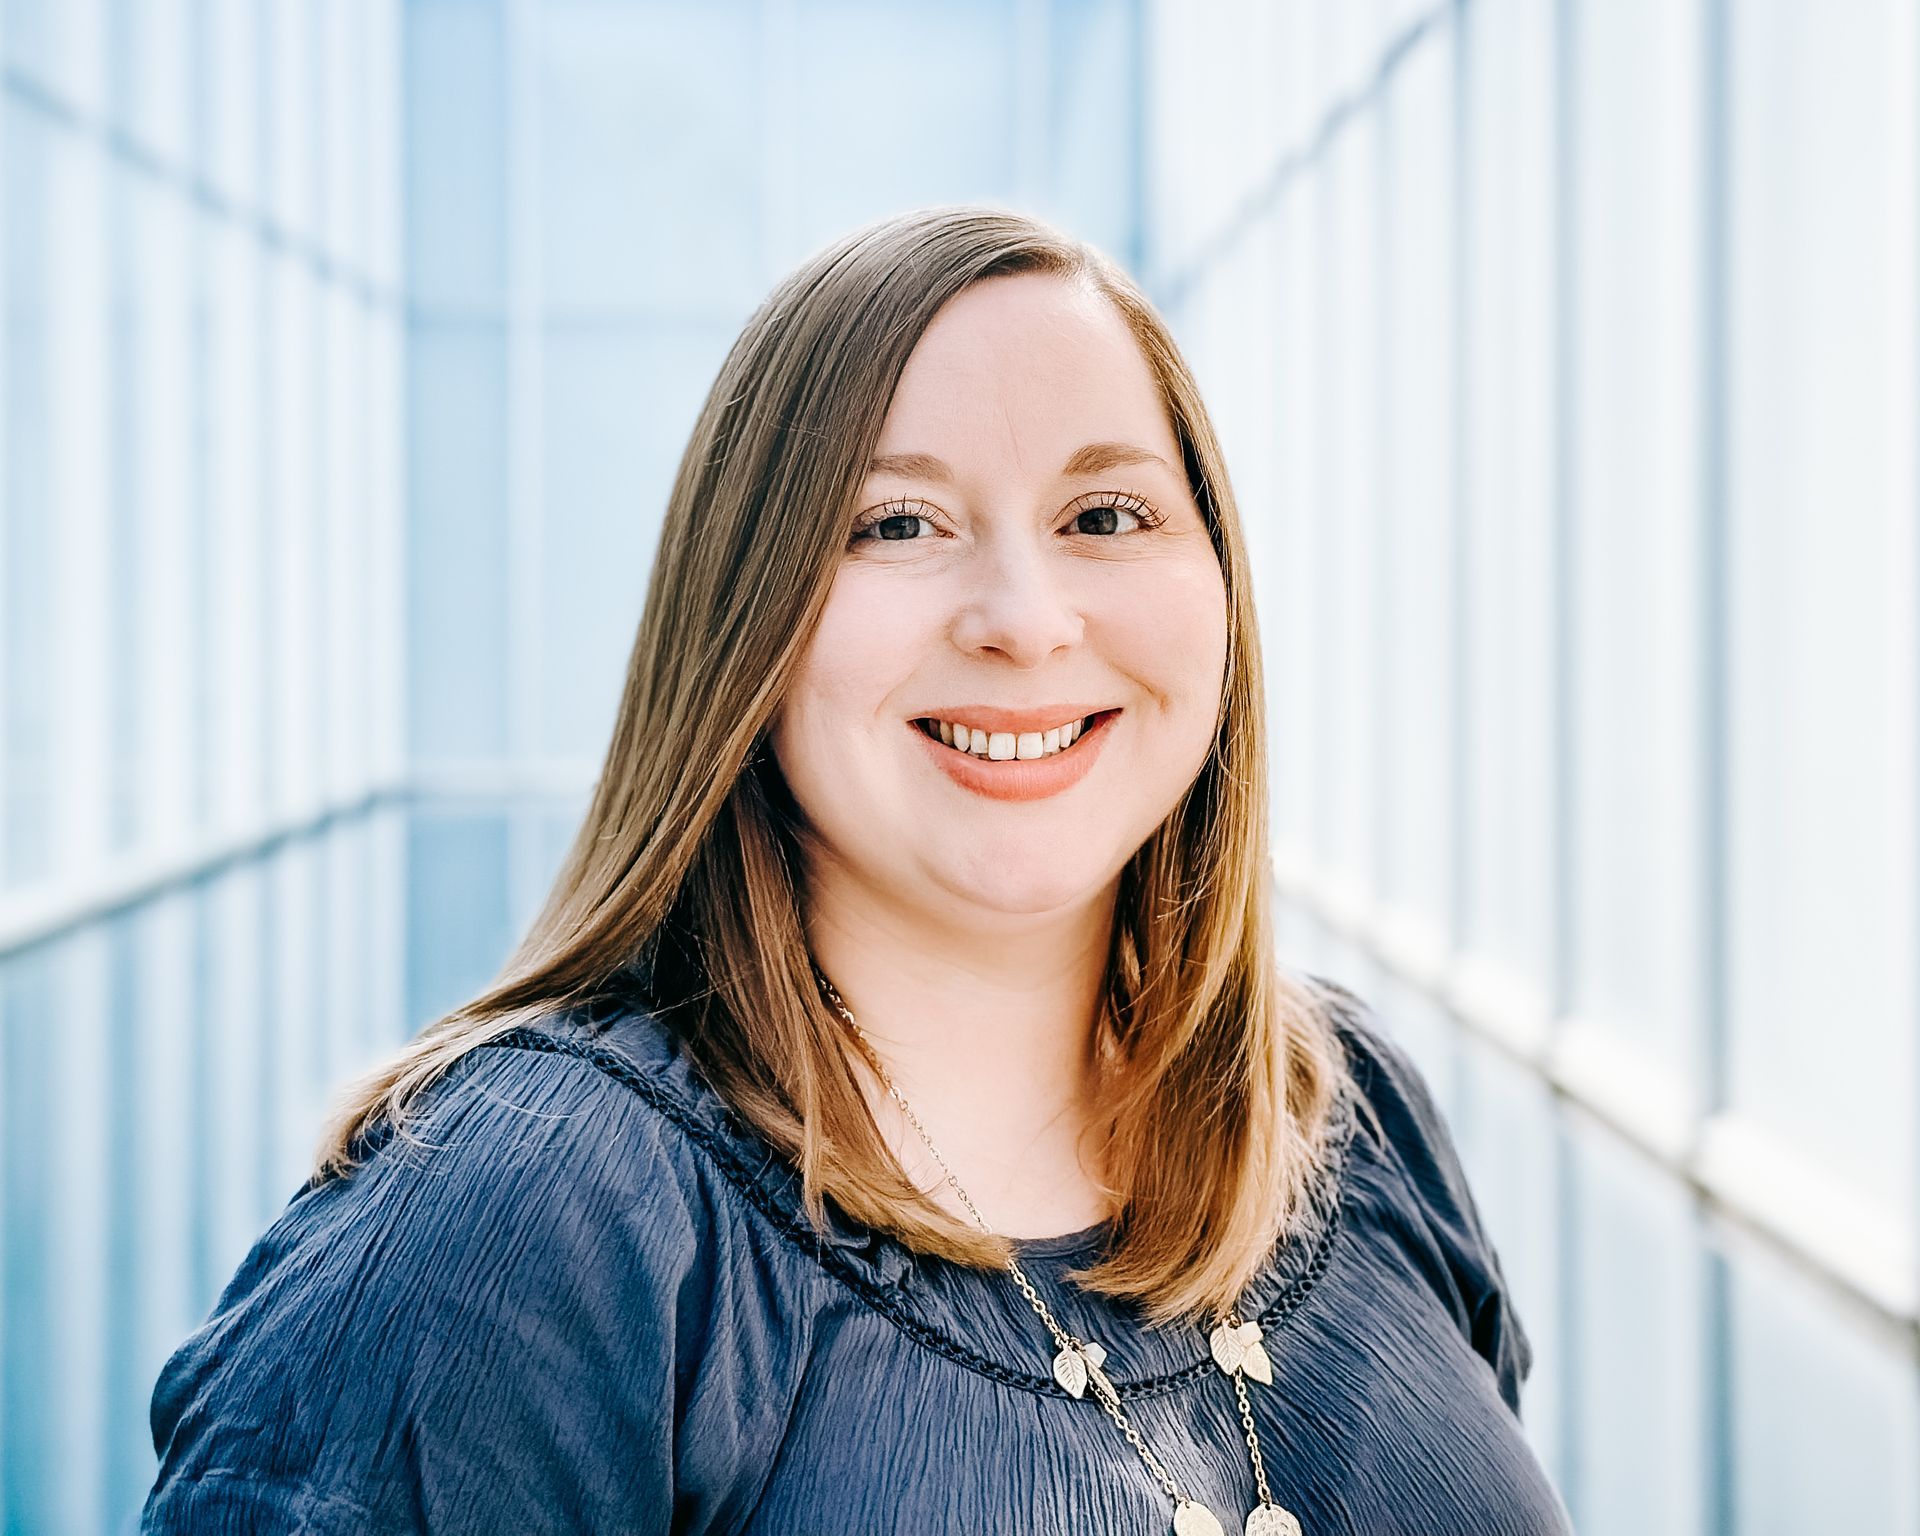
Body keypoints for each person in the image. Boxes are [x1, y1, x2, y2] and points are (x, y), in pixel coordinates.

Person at [141, 205, 1573, 1535]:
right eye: (898, 524)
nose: (1026, 618)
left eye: (1106, 515)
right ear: (748, 621)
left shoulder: (1342, 1108)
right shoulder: (534, 1222)